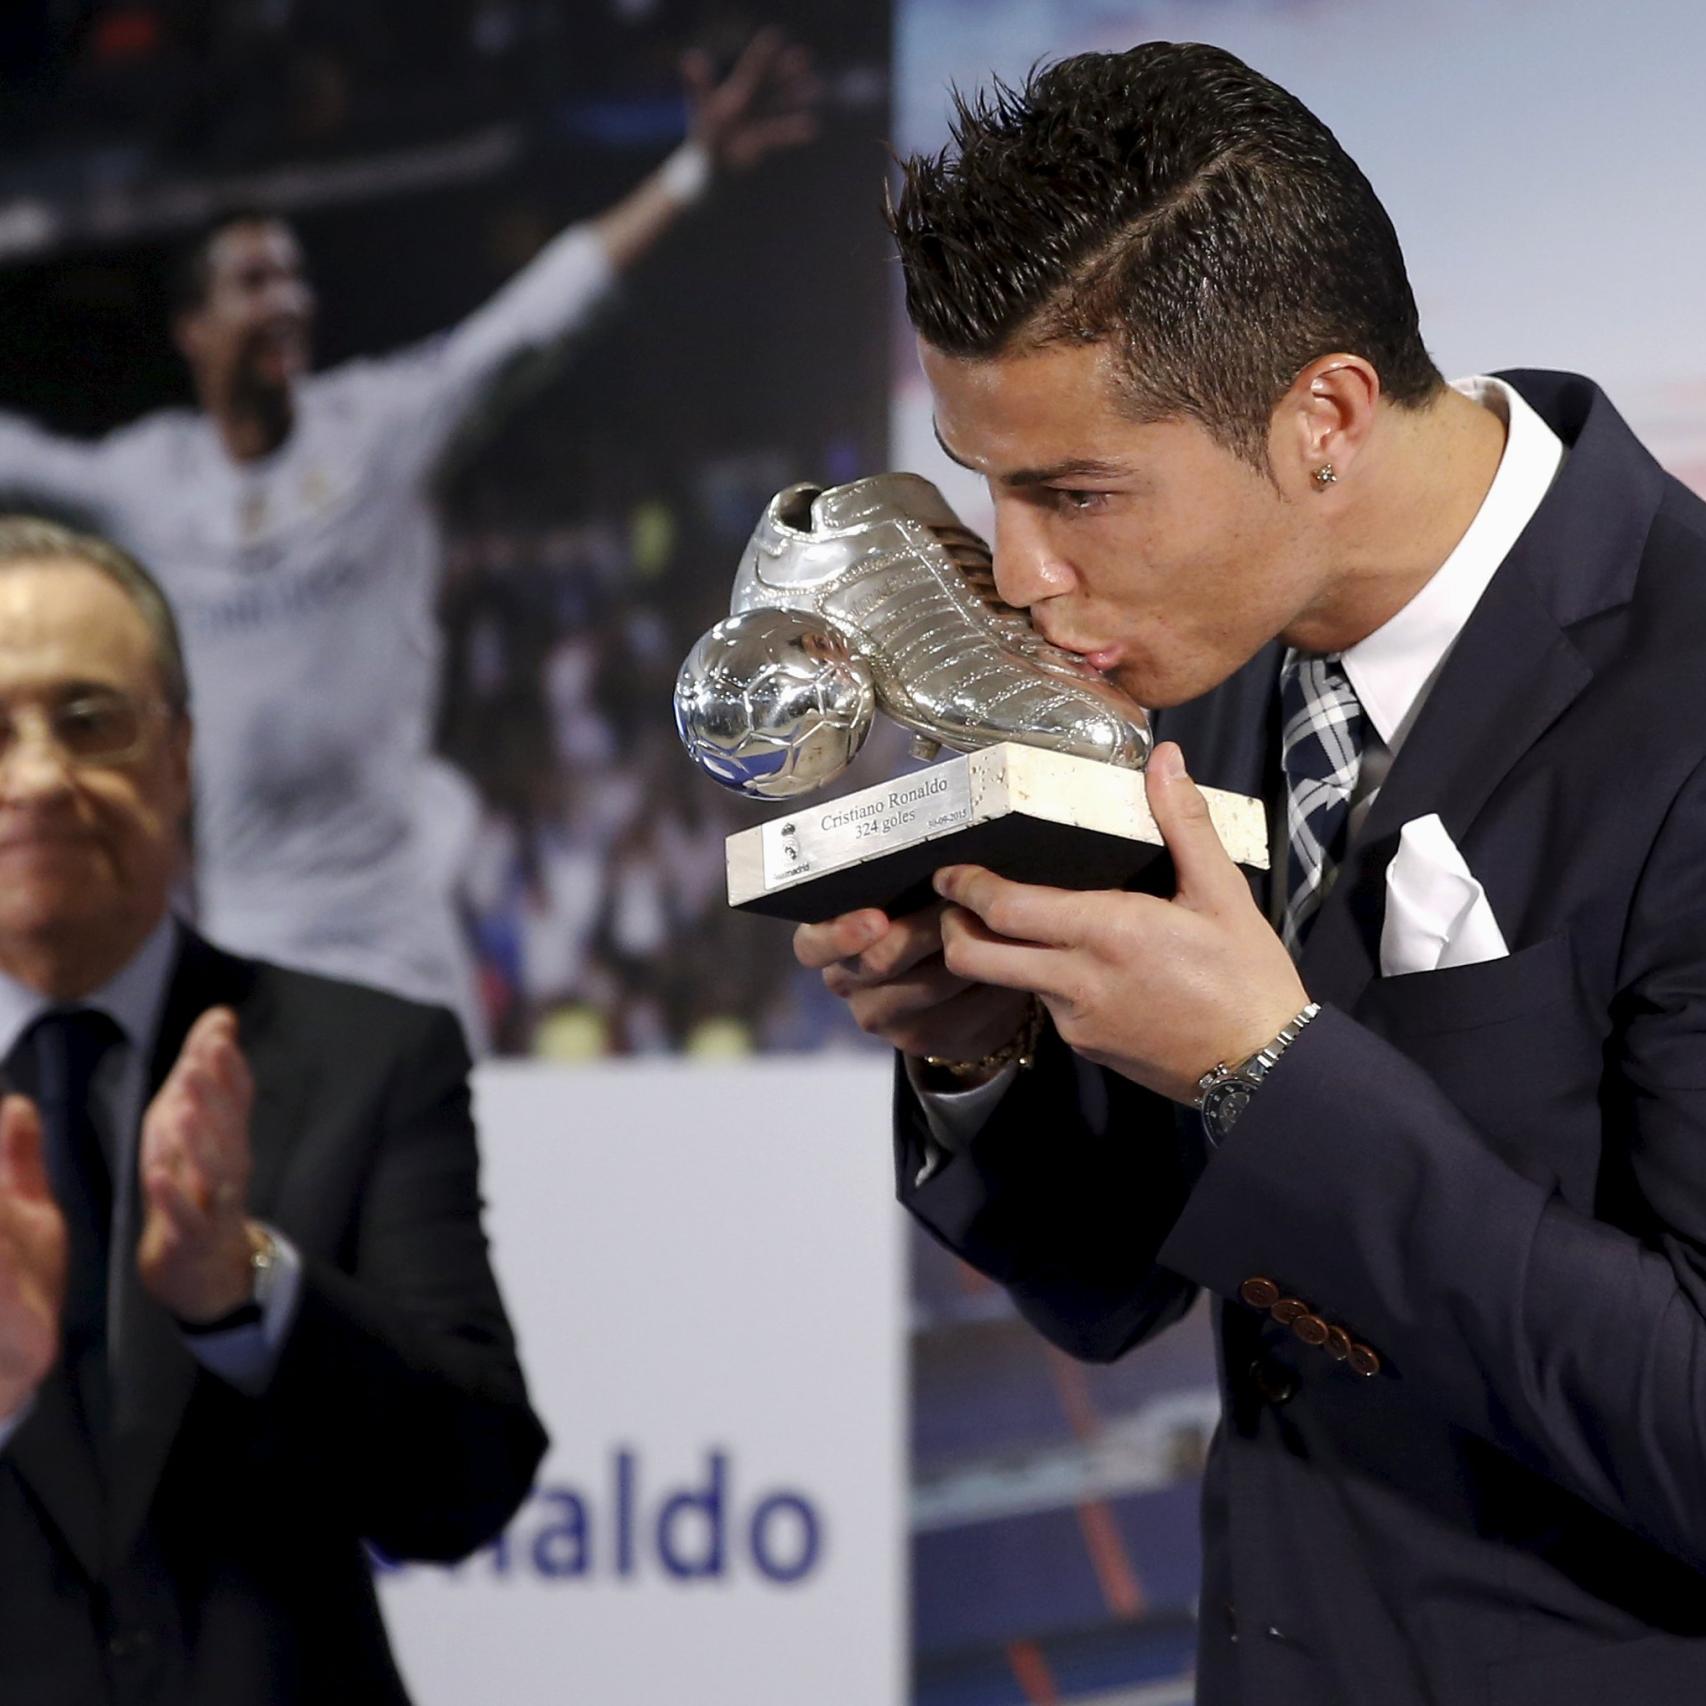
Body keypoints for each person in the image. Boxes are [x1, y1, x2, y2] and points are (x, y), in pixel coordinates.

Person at [796, 41, 1706, 1706]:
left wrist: (1264, 1072)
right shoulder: (1198, 651)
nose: (1020, 573)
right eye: (988, 487)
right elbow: (1114, 1285)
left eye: (1075, 493)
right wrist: (984, 1054)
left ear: (1324, 420)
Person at [0, 28, 817, 1044]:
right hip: (254, 933)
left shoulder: (377, 429)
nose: (287, 300)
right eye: (253, 281)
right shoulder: (143, 485)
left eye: (293, 277)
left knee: (426, 1148)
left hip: (398, 930)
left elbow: (529, 325)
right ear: (193, 329)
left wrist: (691, 170)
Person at [0, 516, 541, 1701]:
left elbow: (468, 1484)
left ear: (179, 755)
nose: (37, 776)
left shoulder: (369, 1055)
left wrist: (242, 1285)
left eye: (88, 719)